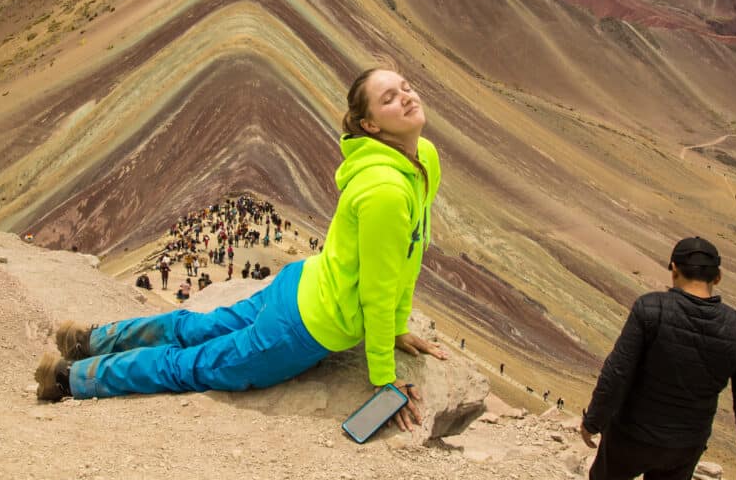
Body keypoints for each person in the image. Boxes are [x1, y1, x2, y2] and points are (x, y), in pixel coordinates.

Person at [35, 66, 448, 433]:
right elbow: (379, 286)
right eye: (389, 98)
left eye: (406, 87)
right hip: (301, 327)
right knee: (191, 365)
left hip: (300, 285)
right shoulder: (387, 191)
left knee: (194, 328)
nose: (407, 97)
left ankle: (89, 339)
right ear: (370, 125)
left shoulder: (422, 158)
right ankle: (71, 377)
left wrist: (397, 329)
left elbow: (409, 254)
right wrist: (383, 376)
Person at [579, 237, 736, 480]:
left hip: (630, 436)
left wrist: (593, 420)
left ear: (674, 270)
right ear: (718, 277)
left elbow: (617, 372)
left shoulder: (650, 308)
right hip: (684, 447)